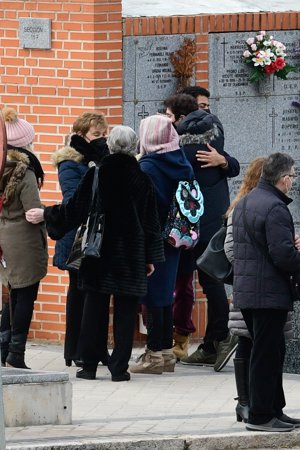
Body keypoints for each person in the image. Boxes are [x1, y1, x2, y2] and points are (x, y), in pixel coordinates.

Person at [26, 125, 164, 382]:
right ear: (134, 148)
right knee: (125, 310)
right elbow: (150, 222)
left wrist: (47, 215)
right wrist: (150, 258)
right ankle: (119, 369)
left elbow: (74, 210)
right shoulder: (143, 179)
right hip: (131, 253)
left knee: (94, 308)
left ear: (110, 146)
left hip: (97, 250)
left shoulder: (97, 174)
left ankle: (88, 366)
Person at [164, 93, 240, 371]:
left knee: (182, 282)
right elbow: (233, 166)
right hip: (210, 221)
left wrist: (225, 162)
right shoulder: (212, 140)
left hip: (187, 225)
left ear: (181, 118)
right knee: (209, 282)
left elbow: (230, 165)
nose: (167, 120)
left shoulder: (177, 147)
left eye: (169, 116)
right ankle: (212, 341)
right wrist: (224, 162)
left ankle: (210, 340)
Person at [225, 156, 297, 425]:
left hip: (250, 291)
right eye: (293, 174)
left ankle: (274, 410)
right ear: (283, 178)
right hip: (268, 292)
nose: (293, 180)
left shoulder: (246, 202)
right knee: (266, 356)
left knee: (271, 351)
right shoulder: (275, 207)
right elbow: (283, 256)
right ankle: (261, 415)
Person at [130, 114, 194, 375]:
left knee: (152, 295)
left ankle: (155, 354)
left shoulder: (148, 167)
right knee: (166, 293)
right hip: (175, 236)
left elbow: (146, 207)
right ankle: (166, 352)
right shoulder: (182, 162)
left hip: (153, 238)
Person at [51, 112, 109, 367]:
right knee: (78, 294)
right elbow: (73, 199)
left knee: (98, 295)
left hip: (98, 235)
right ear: (81, 135)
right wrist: (95, 169)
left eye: (104, 134)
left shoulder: (101, 160)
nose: (101, 139)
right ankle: (73, 349)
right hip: (76, 237)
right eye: (96, 135)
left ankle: (97, 348)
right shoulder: (70, 162)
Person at [0, 107, 48, 369]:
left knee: (10, 295)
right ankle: (16, 355)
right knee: (26, 296)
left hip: (3, 238)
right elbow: (32, 212)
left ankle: (4, 350)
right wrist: (48, 215)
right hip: (23, 240)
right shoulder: (25, 171)